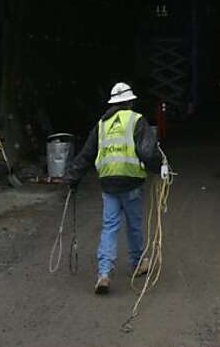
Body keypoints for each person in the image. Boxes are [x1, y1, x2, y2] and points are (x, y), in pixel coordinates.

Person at [66, 82, 162, 295]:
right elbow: (148, 152)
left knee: (109, 226)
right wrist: (159, 167)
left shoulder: (102, 125)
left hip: (108, 183)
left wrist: (73, 177)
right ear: (129, 101)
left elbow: (87, 153)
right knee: (134, 225)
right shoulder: (137, 121)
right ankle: (137, 264)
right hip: (131, 183)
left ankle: (104, 273)